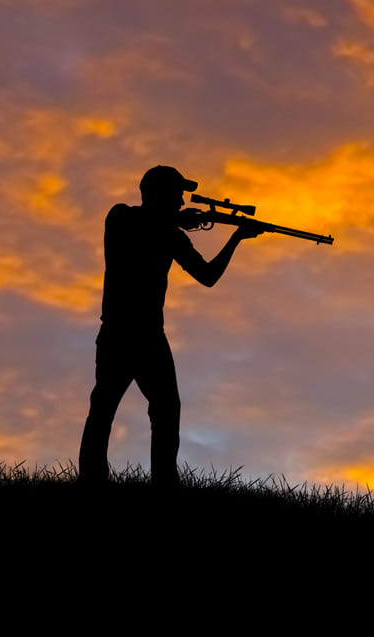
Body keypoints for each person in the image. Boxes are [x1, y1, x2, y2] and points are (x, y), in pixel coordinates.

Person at [78, 165, 264, 488]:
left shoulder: (171, 235)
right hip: (123, 333)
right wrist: (180, 224)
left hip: (146, 336)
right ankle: (96, 481)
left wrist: (235, 238)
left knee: (161, 409)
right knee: (106, 408)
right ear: (159, 194)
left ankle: (162, 483)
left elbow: (207, 276)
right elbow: (148, 226)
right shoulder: (121, 217)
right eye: (176, 194)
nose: (180, 201)